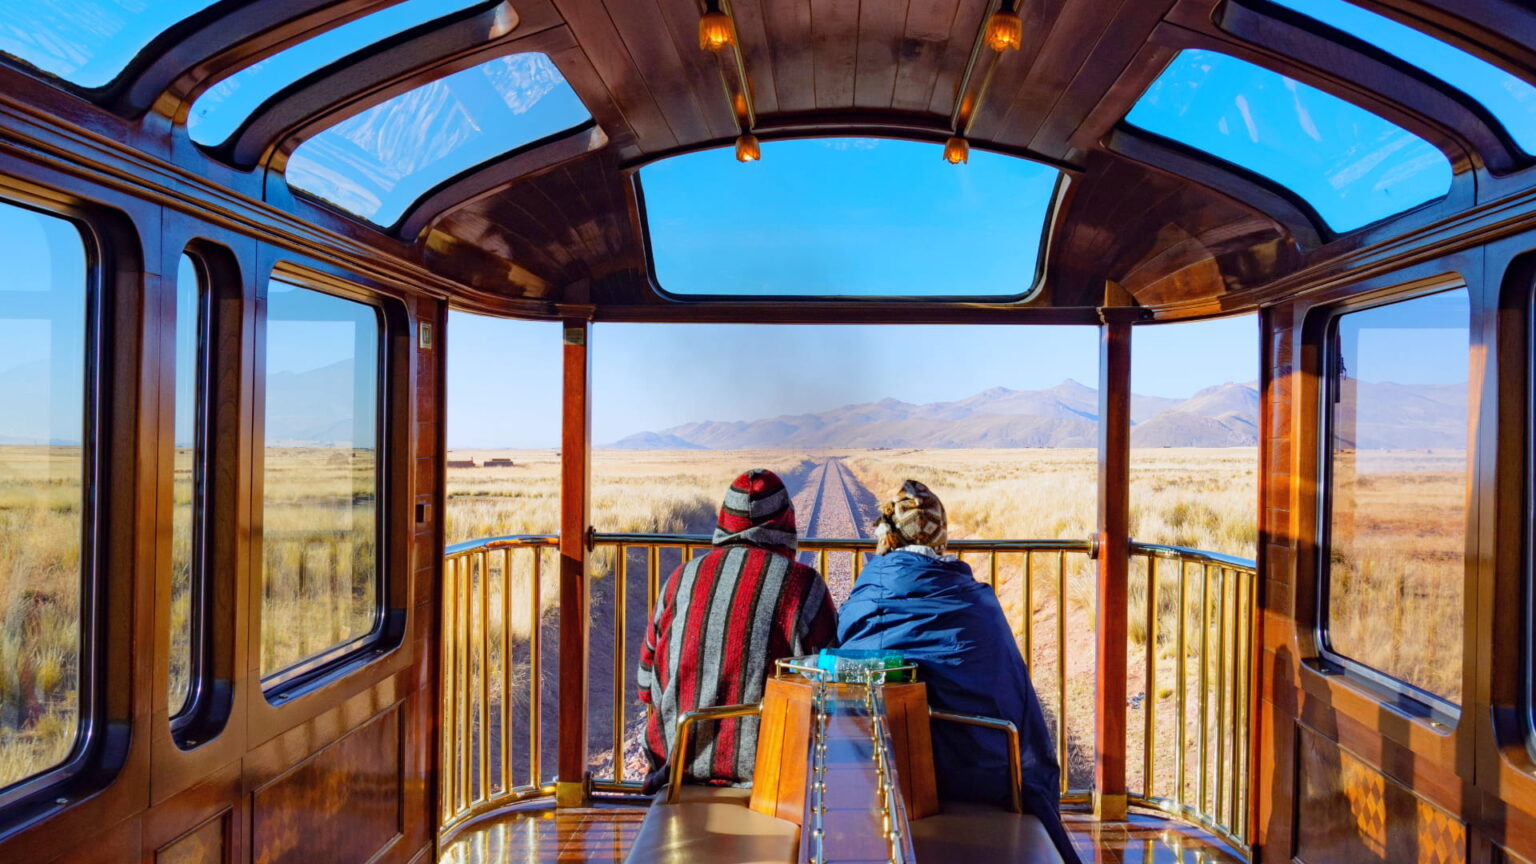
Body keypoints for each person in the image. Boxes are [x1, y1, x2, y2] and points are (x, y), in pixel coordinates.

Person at [837, 479, 1080, 863]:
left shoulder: (863, 601)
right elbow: (1015, 697)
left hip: (884, 772)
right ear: (941, 539)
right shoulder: (979, 604)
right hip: (981, 775)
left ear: (889, 540)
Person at [636, 468, 836, 791]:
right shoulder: (804, 586)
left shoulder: (679, 579)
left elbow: (646, 685)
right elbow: (828, 690)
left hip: (673, 775)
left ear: (724, 522)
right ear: (785, 524)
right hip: (771, 779)